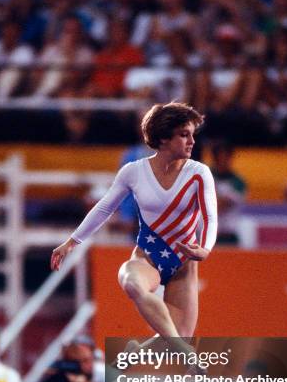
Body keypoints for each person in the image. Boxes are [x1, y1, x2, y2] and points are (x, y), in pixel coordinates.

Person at [51, 102, 218, 344]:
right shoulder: (134, 171)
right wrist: (71, 242)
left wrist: (205, 248)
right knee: (133, 285)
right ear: (163, 139)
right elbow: (105, 207)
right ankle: (183, 352)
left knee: (179, 337)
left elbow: (210, 215)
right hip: (148, 255)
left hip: (183, 265)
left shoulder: (199, 173)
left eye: (192, 134)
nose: (192, 141)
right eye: (184, 135)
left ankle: (142, 351)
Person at [211, 139, 246, 245]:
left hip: (228, 235)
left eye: (226, 157)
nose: (223, 161)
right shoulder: (206, 177)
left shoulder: (238, 182)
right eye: (219, 157)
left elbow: (219, 206)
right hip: (208, 235)